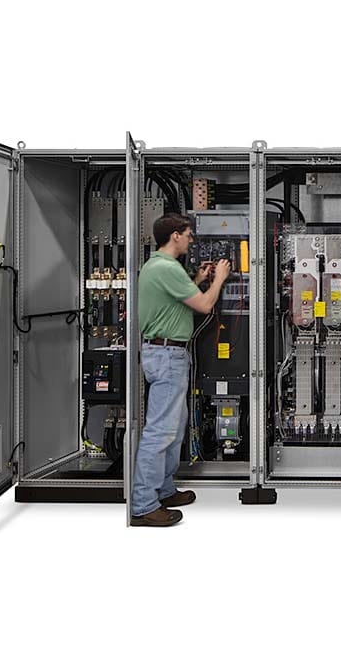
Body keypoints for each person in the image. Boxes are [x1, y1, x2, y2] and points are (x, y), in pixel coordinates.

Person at [131, 215, 230, 526]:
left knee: (174, 429)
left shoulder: (158, 267)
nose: (191, 240)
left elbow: (173, 301)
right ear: (175, 236)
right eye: (188, 235)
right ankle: (144, 504)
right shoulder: (167, 268)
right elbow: (203, 306)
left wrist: (199, 280)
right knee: (160, 431)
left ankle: (164, 489)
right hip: (167, 355)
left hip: (167, 353)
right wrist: (218, 280)